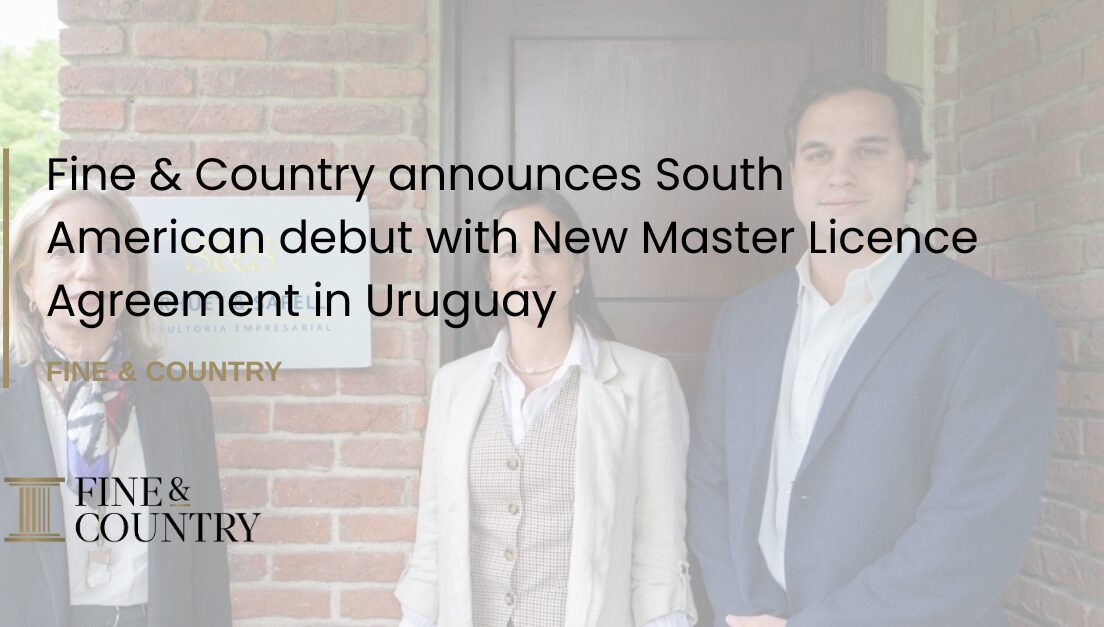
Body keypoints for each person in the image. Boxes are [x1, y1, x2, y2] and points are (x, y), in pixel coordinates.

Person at [687, 67, 1058, 627]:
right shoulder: (744, 322)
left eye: (868, 150)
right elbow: (710, 483)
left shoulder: (995, 325)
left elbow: (972, 540)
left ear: (910, 169)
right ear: (794, 174)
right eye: (817, 154)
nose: (840, 173)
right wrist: (741, 609)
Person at [0, 187, 231, 627]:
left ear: (130, 278)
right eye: (62, 252)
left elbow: (205, 571)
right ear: (27, 280)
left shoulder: (180, 401)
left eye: (109, 251)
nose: (88, 270)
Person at [395, 190, 697, 626]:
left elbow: (659, 552)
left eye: (547, 249)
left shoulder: (644, 380)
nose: (528, 268)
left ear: (577, 266)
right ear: (490, 275)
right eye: (509, 253)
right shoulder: (454, 385)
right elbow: (432, 543)